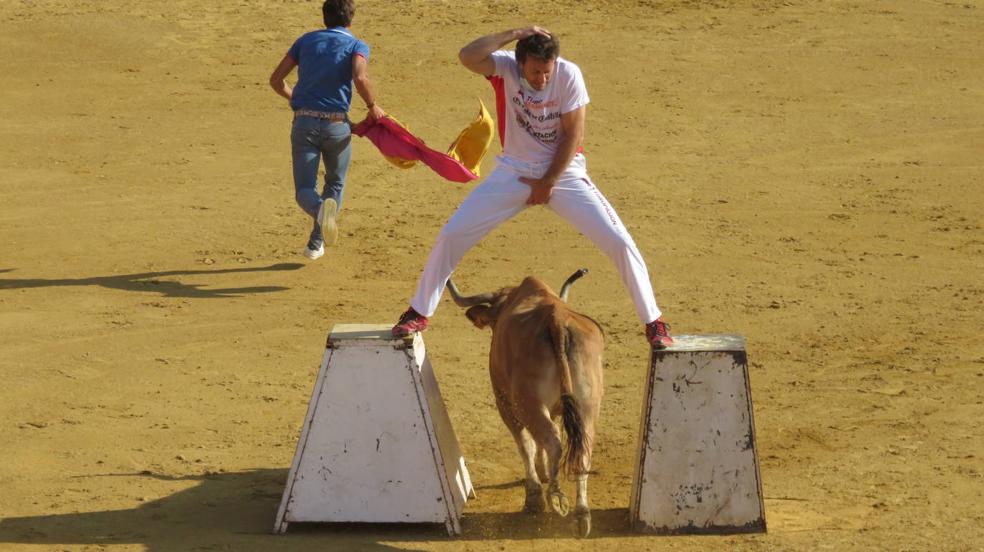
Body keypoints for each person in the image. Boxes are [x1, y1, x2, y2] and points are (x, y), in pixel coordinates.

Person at [391, 27, 673, 348]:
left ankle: (654, 322)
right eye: (536, 71)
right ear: (520, 61)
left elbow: (572, 136)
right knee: (453, 234)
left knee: (620, 241)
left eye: (547, 71)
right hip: (513, 171)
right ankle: (419, 311)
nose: (542, 79)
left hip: (564, 175)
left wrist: (547, 182)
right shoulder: (505, 67)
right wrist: (515, 32)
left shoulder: (568, 75)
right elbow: (467, 56)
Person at [269, 0, 385, 261]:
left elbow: (276, 80)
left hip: (305, 122)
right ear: (350, 20)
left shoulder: (305, 41)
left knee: (304, 191)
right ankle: (319, 233)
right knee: (335, 183)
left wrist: (295, 100)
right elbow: (360, 76)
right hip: (337, 126)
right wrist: (372, 106)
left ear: (324, 18)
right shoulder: (356, 45)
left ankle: (316, 238)